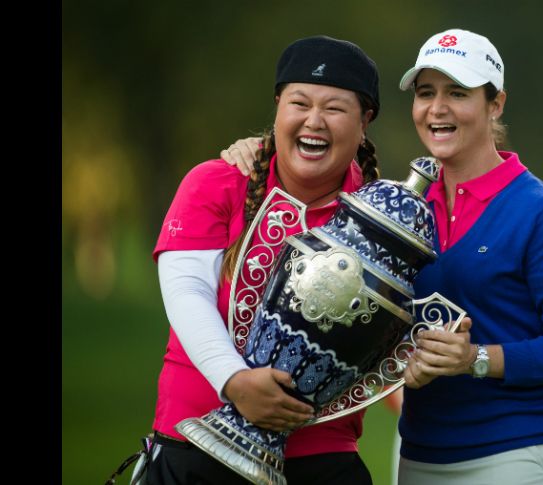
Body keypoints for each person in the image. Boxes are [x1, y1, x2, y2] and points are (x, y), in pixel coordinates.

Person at [223, 28, 543, 485]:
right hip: (420, 455)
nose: (437, 109)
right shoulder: (396, 209)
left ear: (495, 104)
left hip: (516, 455)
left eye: (457, 93)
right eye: (426, 93)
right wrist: (255, 147)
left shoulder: (540, 213)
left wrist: (476, 359)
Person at [145, 35, 382, 485]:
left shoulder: (380, 215)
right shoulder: (216, 182)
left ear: (364, 120)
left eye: (334, 108)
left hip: (320, 454)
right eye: (299, 103)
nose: (314, 121)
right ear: (277, 106)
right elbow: (186, 291)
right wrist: (233, 381)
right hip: (195, 442)